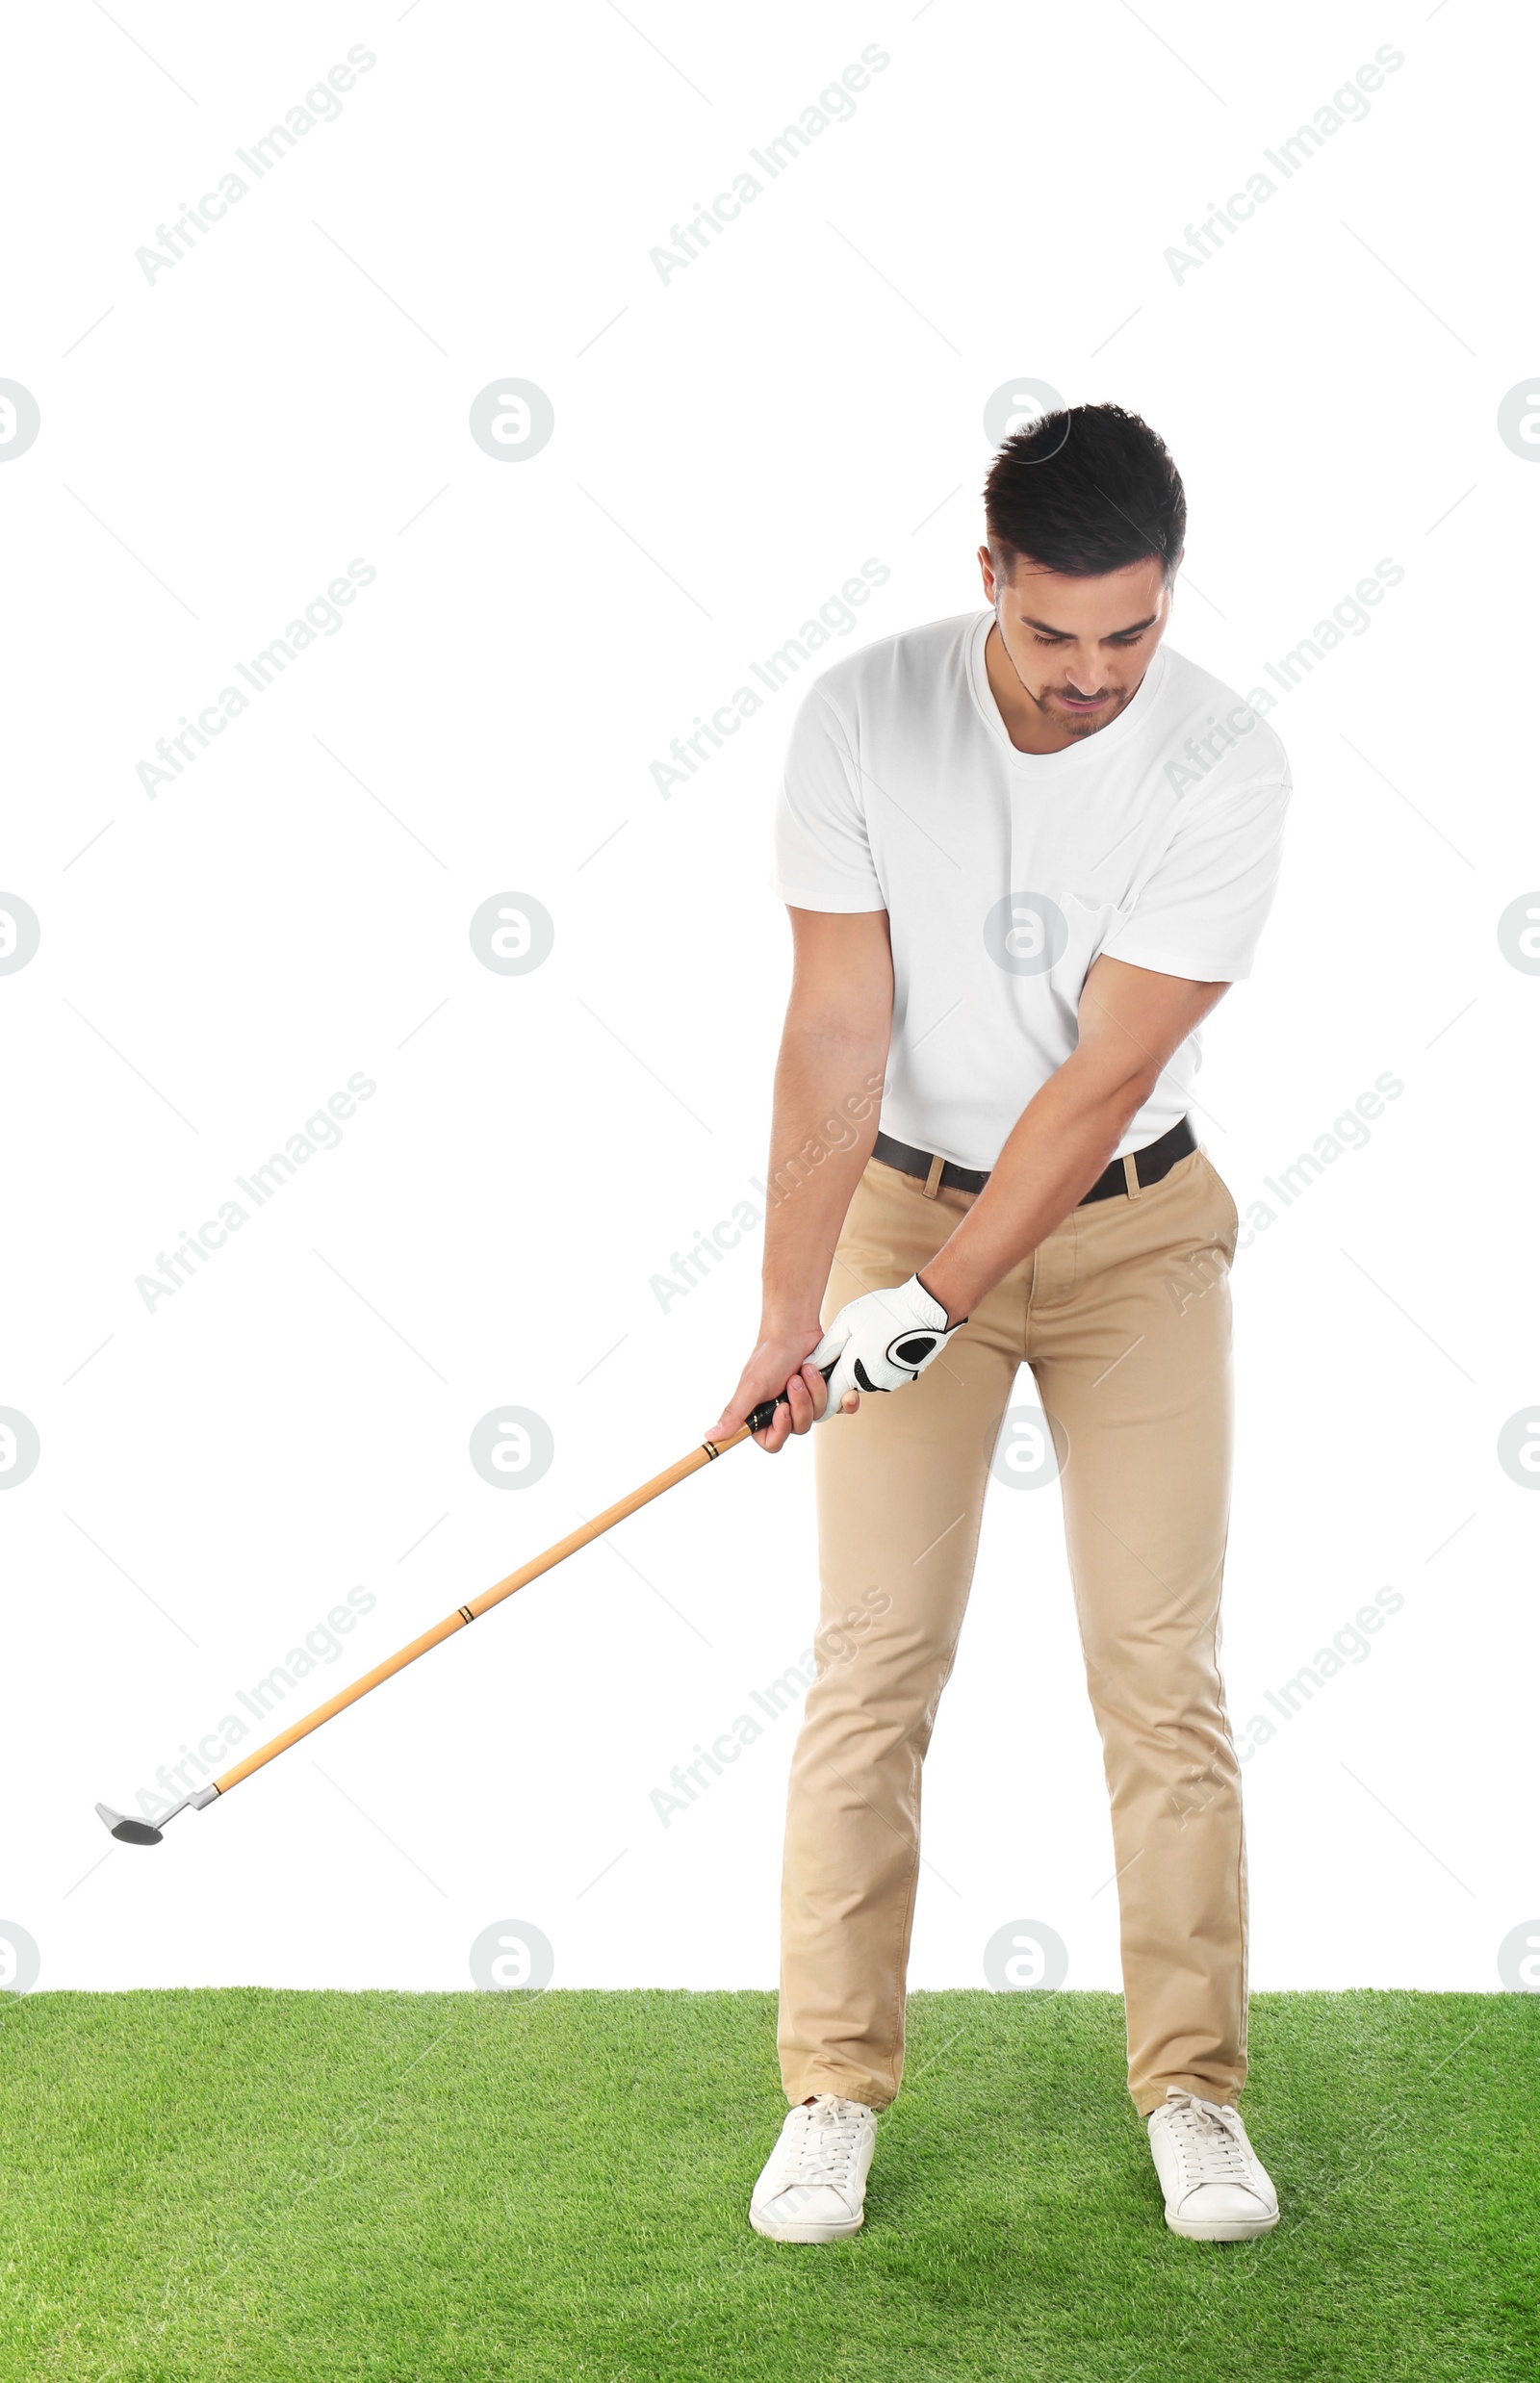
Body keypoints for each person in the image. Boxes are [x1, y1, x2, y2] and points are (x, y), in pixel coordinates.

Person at [705, 403, 1292, 2247]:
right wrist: (798, 1311)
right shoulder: (862, 720)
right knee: (873, 1661)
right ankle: (830, 2092)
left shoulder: (1226, 760)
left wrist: (934, 1313)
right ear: (990, 583)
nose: (1095, 675)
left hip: (1136, 1240)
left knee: (1156, 1668)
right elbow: (832, 1033)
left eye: (1133, 632)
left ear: (1168, 599)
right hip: (896, 1204)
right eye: (1055, 635)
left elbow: (1105, 1078)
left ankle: (1193, 2089)